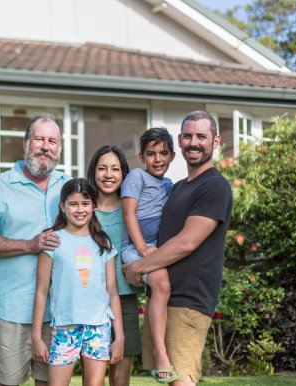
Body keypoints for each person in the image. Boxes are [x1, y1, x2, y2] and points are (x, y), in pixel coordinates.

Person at [123, 110, 233, 386]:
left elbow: (187, 242)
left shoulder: (215, 187)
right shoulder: (177, 187)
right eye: (187, 136)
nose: (193, 142)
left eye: (201, 136)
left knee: (182, 380)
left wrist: (138, 267)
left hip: (188, 301)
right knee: (170, 379)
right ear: (180, 142)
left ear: (215, 141)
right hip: (163, 299)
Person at [0, 113, 70, 386]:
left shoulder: (68, 187)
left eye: (52, 141)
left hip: (59, 310)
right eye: (39, 139)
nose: (45, 147)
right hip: (13, 309)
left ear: (59, 148)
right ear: (26, 143)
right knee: (7, 383)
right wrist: (30, 244)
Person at [31, 178, 124, 386]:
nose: (80, 210)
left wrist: (120, 337)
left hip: (98, 326)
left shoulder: (103, 242)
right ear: (62, 206)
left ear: (93, 206)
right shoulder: (53, 241)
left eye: (85, 203)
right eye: (73, 204)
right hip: (65, 326)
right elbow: (41, 291)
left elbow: (112, 291)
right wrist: (36, 337)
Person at [120, 128, 177, 383]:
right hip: (135, 246)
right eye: (151, 154)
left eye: (163, 153)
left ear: (172, 156)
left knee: (162, 288)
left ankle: (162, 348)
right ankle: (160, 353)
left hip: (157, 246)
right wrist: (142, 248)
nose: (157, 159)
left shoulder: (169, 185)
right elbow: (129, 214)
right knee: (162, 284)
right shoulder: (136, 177)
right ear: (141, 156)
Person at [86, 145, 143, 386]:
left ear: (124, 173)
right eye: (102, 168)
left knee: (120, 378)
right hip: (90, 300)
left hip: (125, 297)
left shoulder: (130, 209)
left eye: (115, 169)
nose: (108, 175)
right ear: (93, 172)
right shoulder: (83, 209)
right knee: (93, 377)